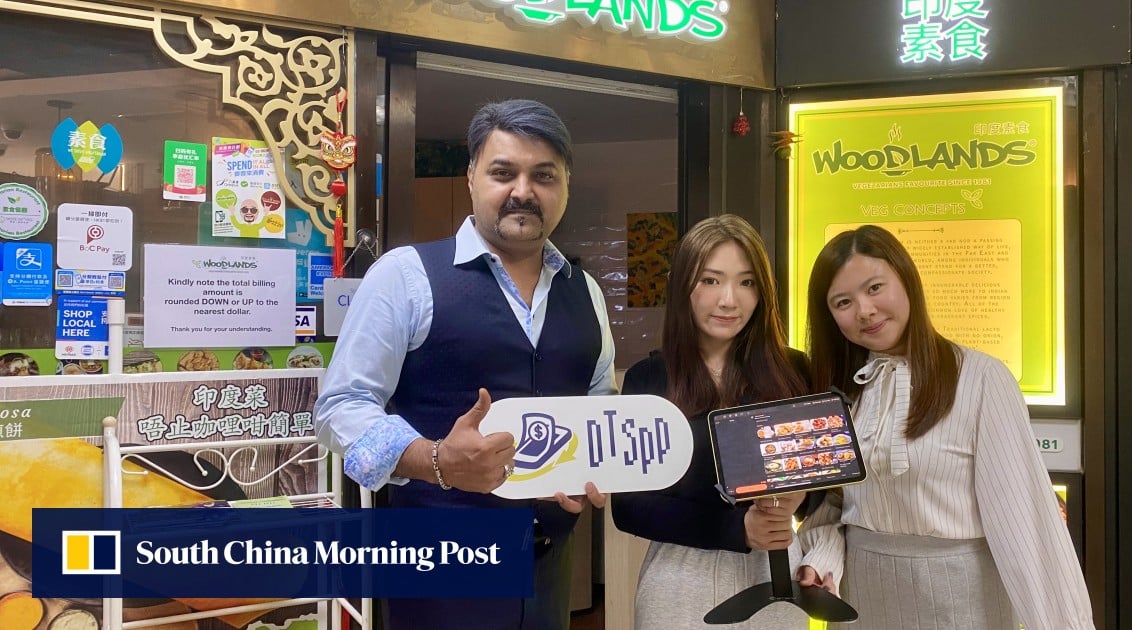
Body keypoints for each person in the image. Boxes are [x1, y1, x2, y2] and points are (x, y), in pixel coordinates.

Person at [314, 99, 615, 630]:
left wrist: (596, 462)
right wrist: (434, 459)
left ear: (566, 184)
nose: (523, 190)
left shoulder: (584, 290)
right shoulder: (404, 276)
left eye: (543, 175)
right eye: (504, 172)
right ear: (472, 176)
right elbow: (341, 406)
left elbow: (597, 403)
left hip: (549, 562)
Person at [796, 225, 1093, 629]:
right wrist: (822, 560)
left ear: (907, 280)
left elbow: (1027, 526)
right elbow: (836, 505)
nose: (864, 310)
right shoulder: (844, 391)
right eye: (843, 302)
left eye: (875, 288)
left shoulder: (982, 378)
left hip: (960, 600)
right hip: (863, 601)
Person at [611, 214, 812, 629]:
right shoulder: (649, 379)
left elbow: (822, 485)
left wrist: (799, 499)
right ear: (682, 285)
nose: (729, 300)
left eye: (747, 281)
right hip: (679, 579)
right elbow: (629, 507)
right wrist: (737, 529)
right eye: (711, 280)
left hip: (772, 574)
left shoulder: (794, 371)